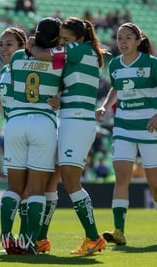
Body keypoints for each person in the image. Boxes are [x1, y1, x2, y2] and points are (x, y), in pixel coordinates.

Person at [0, 25, 61, 255]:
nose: (4, 49)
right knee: (35, 191)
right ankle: (28, 242)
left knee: (17, 189)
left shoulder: (13, 66)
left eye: (9, 44)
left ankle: (8, 237)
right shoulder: (54, 60)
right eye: (1, 45)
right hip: (41, 124)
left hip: (15, 126)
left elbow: (5, 101)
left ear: (23, 45)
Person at [28, 16, 108, 255]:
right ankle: (41, 239)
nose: (61, 42)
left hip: (77, 122)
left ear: (79, 39)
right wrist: (60, 99)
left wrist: (31, 46)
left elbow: (43, 55)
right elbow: (75, 86)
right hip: (69, 117)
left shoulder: (79, 49)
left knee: (70, 181)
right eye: (60, 38)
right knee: (52, 179)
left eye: (65, 39)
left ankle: (94, 238)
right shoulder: (80, 52)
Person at [95, 22, 157, 246]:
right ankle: (119, 230)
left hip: (149, 128)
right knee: (122, 177)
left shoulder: (151, 63)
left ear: (138, 41)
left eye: (128, 38)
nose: (123, 42)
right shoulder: (115, 65)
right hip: (123, 127)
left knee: (155, 184)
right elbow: (115, 88)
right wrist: (104, 106)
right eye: (120, 38)